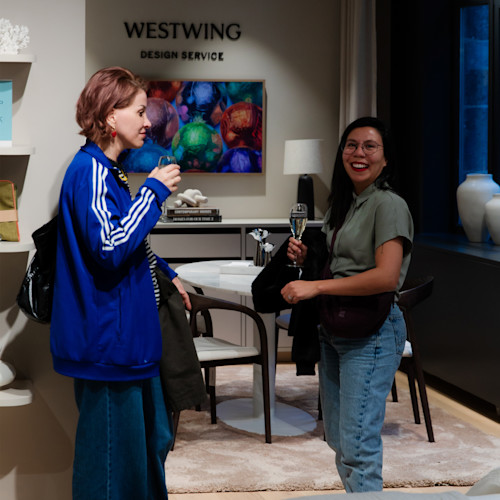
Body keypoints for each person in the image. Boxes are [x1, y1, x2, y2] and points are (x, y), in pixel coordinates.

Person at [50, 66, 190, 500]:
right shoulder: (90, 171)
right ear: (111, 116)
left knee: (145, 452)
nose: (149, 122)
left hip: (129, 344)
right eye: (140, 111)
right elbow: (109, 247)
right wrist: (153, 193)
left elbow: (120, 240)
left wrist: (165, 272)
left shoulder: (109, 171)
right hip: (109, 346)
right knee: (111, 470)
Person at [281, 116, 414, 492]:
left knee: (358, 446)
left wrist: (316, 287)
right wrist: (309, 257)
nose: (359, 153)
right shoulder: (346, 203)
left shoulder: (388, 205)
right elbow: (345, 264)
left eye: (370, 146)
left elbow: (386, 277)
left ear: (385, 158)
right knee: (340, 439)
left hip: (372, 333)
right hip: (335, 327)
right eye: (352, 145)